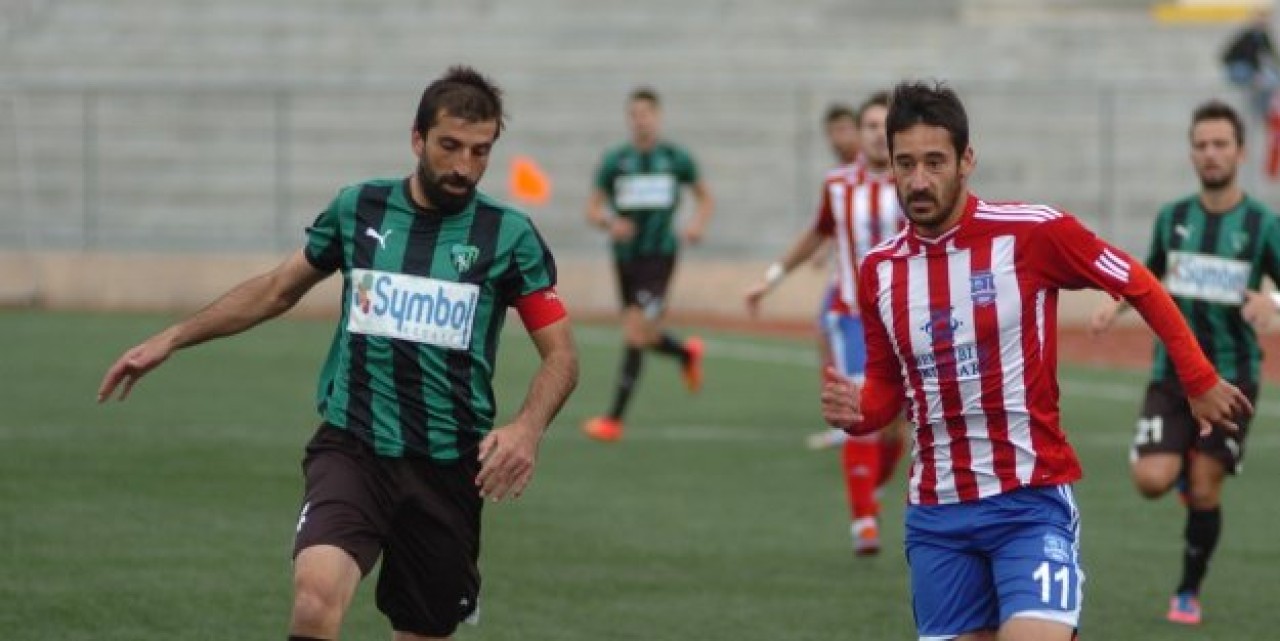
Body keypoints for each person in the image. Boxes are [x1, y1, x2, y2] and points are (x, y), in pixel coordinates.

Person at [96, 66, 580, 641]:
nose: (464, 166)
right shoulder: (360, 208)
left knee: (422, 631)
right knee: (315, 598)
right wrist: (173, 337)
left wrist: (527, 428)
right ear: (417, 138)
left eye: (480, 151)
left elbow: (561, 356)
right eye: (450, 146)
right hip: (354, 446)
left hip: (448, 466)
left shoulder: (510, 235)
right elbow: (277, 290)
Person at [820, 81, 1252, 641]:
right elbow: (886, 387)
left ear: (966, 160)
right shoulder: (880, 270)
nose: (919, 180)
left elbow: (1137, 282)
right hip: (937, 515)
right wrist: (860, 412)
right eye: (906, 164)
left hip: (1028, 502)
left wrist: (1197, 378)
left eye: (935, 162)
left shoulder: (1032, 233)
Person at [1089, 99, 1280, 626]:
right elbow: (1146, 278)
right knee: (1151, 480)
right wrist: (1113, 304)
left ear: (1240, 152)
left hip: (1233, 375)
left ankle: (1187, 591)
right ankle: (1181, 469)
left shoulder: (1263, 224)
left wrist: (1273, 301)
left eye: (1221, 144)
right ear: (1191, 153)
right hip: (1171, 374)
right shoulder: (1172, 218)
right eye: (1201, 145)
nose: (1211, 153)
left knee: (1204, 485)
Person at [744, 91, 907, 556]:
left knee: (897, 425)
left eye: (884, 127)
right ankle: (863, 522)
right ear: (860, 132)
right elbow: (817, 233)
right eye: (870, 125)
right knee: (860, 411)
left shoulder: (913, 182)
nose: (876, 134)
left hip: (903, 320)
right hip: (852, 316)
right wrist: (771, 278)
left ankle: (870, 490)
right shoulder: (838, 185)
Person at [582, 87, 715, 442]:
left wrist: (697, 225)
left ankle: (614, 419)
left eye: (646, 114)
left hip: (659, 256)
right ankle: (686, 353)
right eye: (635, 114)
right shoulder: (615, 160)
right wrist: (610, 222)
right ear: (629, 119)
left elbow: (705, 197)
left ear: (658, 117)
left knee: (635, 332)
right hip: (625, 257)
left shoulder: (675, 158)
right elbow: (592, 209)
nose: (641, 120)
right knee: (643, 332)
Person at [1222, 8, 1280, 118]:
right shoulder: (1248, 35)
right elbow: (1247, 56)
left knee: (1271, 79)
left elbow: (1271, 53)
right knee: (1257, 81)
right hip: (1238, 66)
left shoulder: (1263, 36)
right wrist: (1257, 74)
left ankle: (1263, 108)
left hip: (1251, 68)